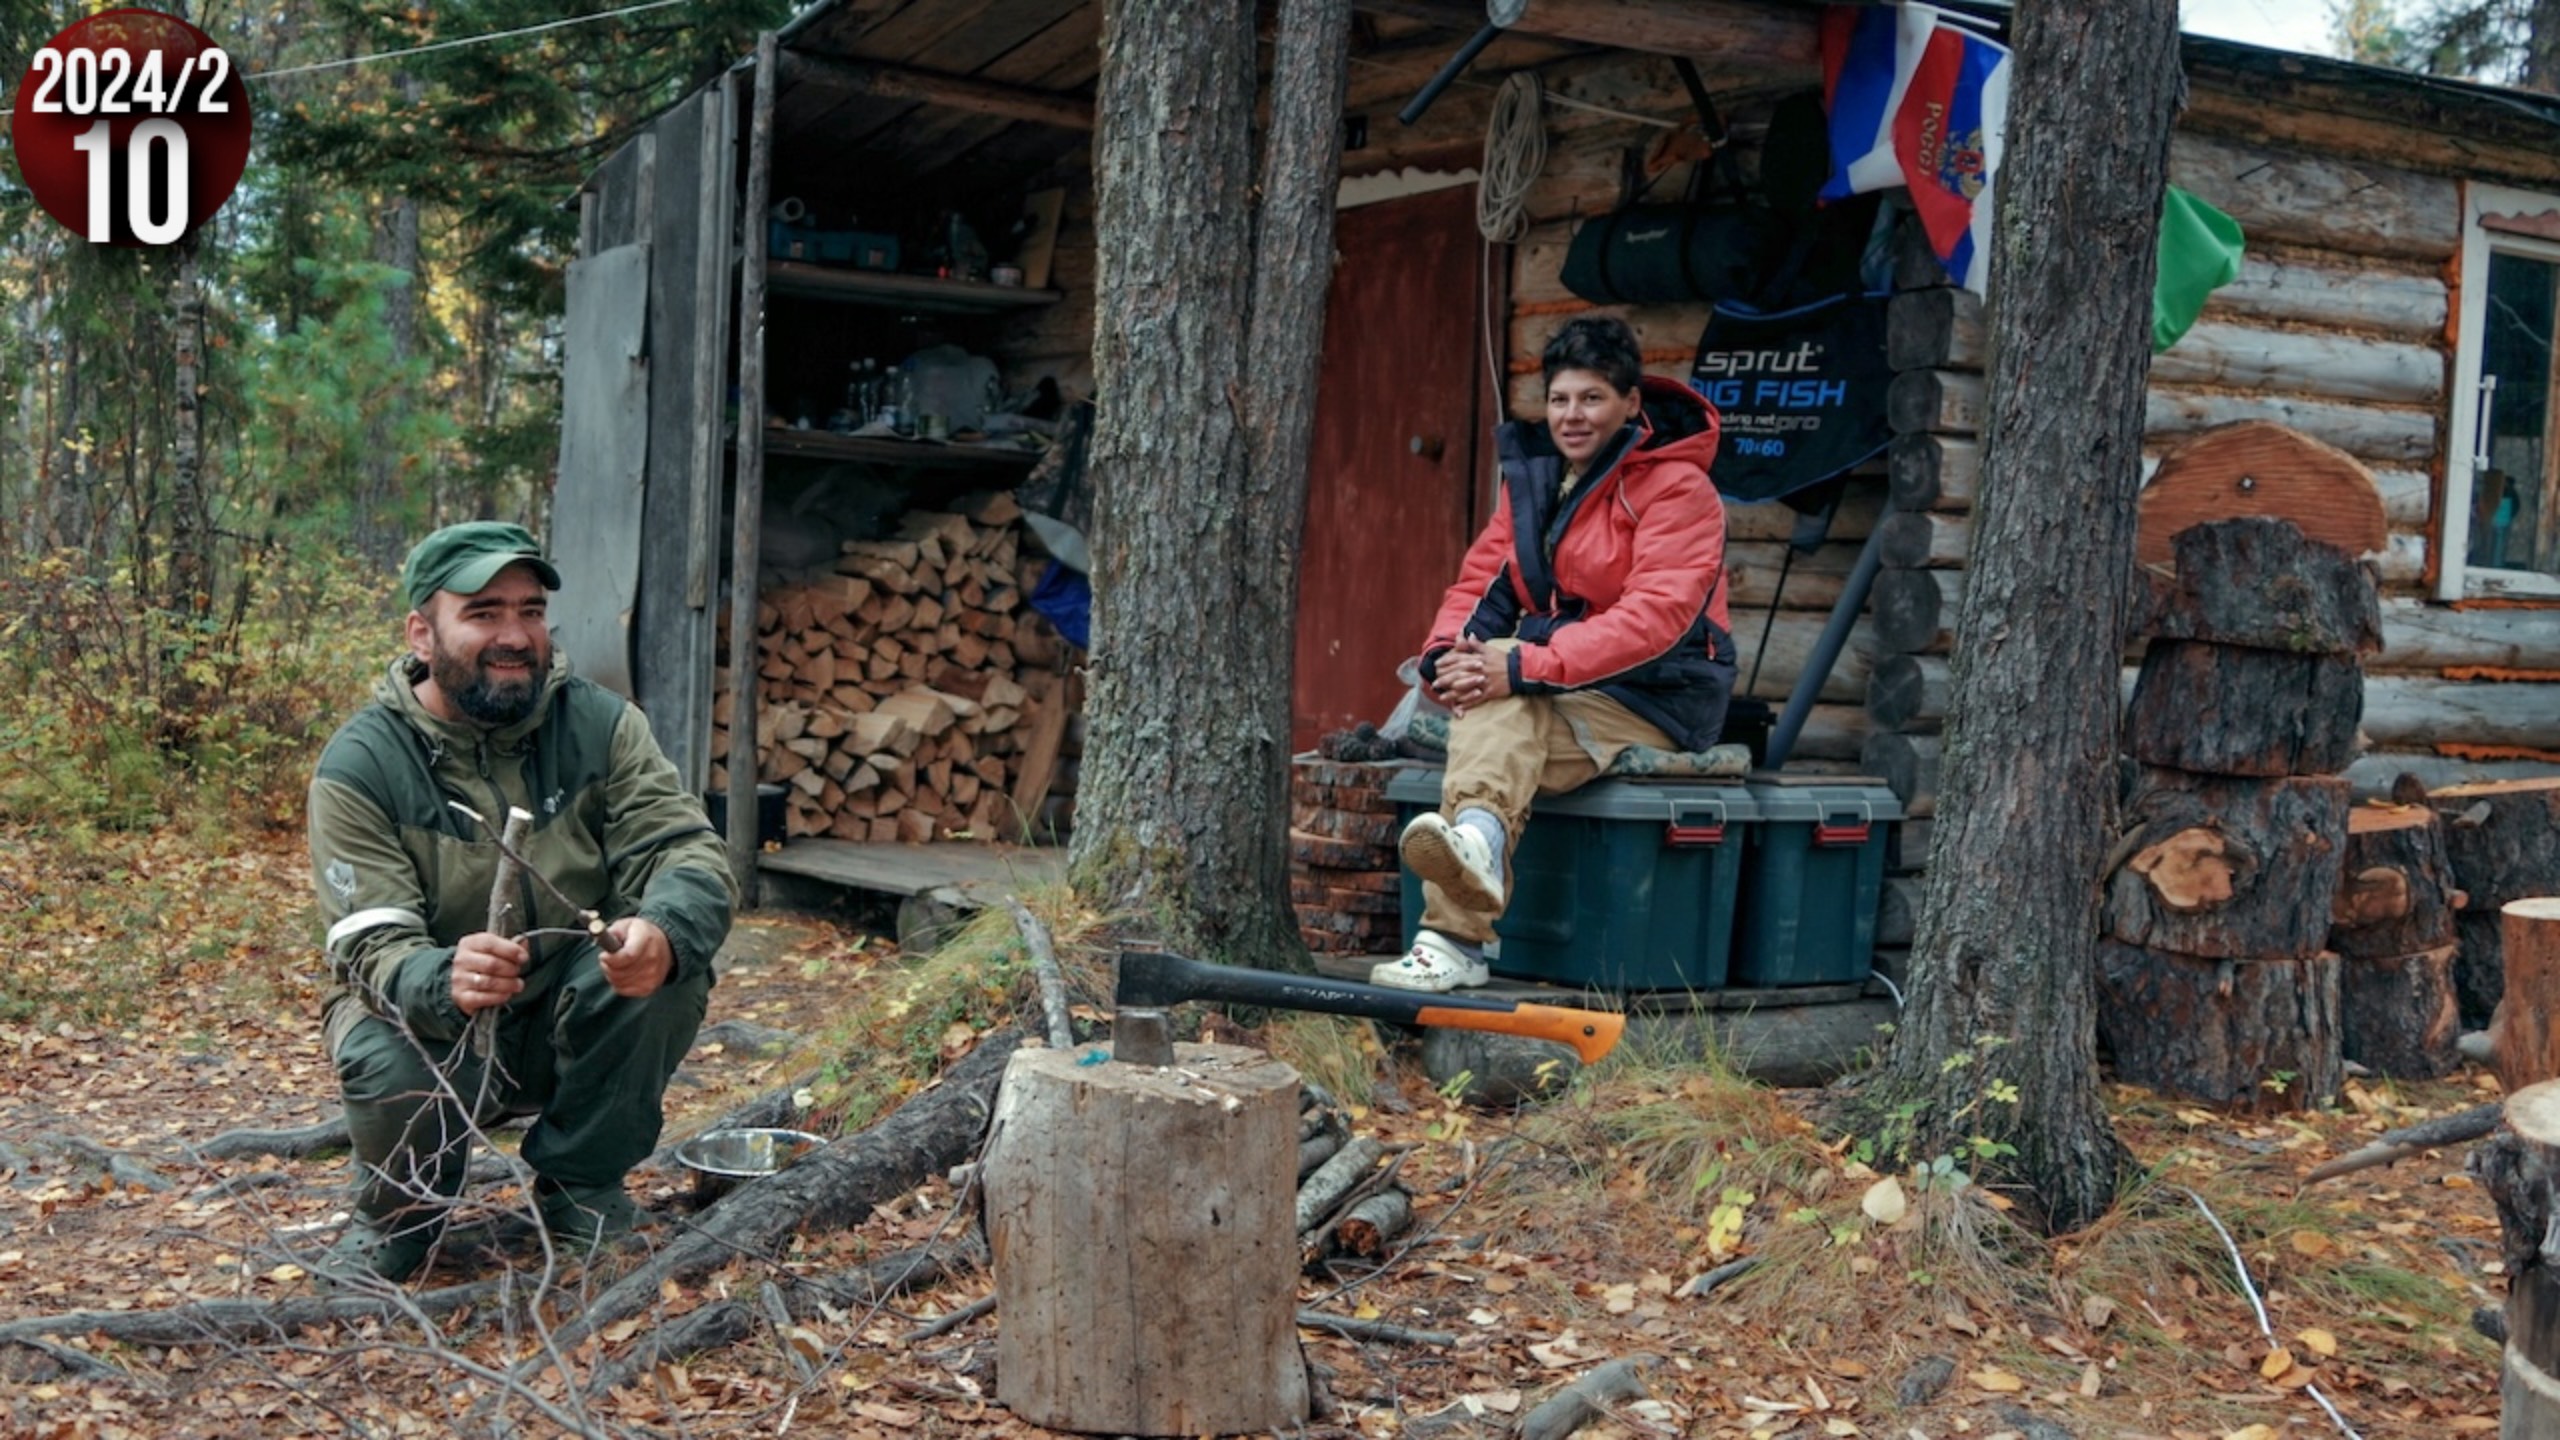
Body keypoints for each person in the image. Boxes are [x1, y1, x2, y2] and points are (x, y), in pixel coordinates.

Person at [306, 521, 738, 1282]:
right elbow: (368, 941)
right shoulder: (362, 763)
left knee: (667, 971)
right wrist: (441, 978)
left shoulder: (601, 726)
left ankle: (584, 1194)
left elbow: (685, 848)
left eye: (531, 611)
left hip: (568, 1009)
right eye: (483, 613)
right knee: (388, 1038)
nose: (515, 635)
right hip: (436, 1025)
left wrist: (665, 932)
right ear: (421, 631)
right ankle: (401, 1218)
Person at [1373, 317, 1733, 994]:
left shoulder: (1681, 491)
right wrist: (1445, 657)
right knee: (1493, 686)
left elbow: (1654, 620)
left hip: (1659, 694)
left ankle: (1456, 933)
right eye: (1561, 398)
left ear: (1631, 403)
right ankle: (1475, 847)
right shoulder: (1538, 484)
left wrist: (1520, 666)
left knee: (1503, 681)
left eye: (1592, 398)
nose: (1572, 415)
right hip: (1557, 686)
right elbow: (1484, 581)